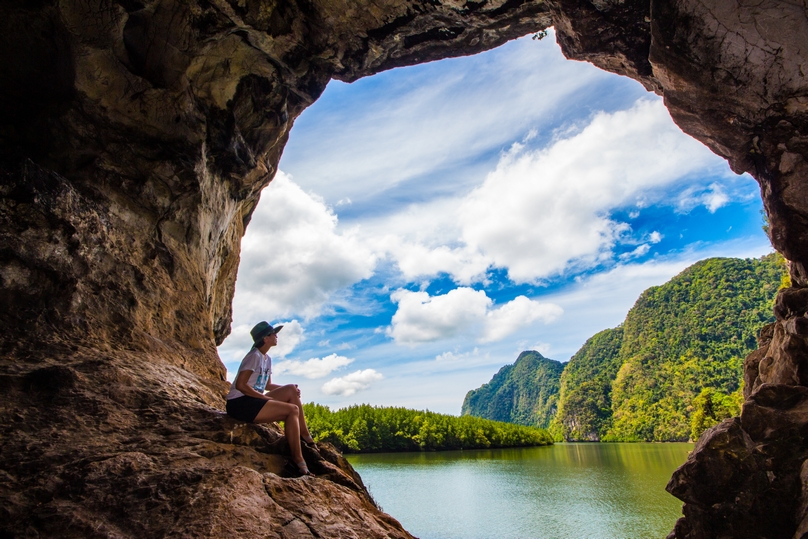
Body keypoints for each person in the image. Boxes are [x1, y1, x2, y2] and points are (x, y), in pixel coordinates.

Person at [225, 321, 316, 476]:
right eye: (274, 333)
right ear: (265, 339)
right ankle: (298, 460)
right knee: (291, 410)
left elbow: (267, 385)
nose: (276, 336)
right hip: (239, 403)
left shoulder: (267, 359)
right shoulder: (253, 356)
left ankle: (305, 436)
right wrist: (263, 398)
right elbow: (241, 385)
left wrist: (291, 389)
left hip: (254, 400)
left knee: (291, 389)